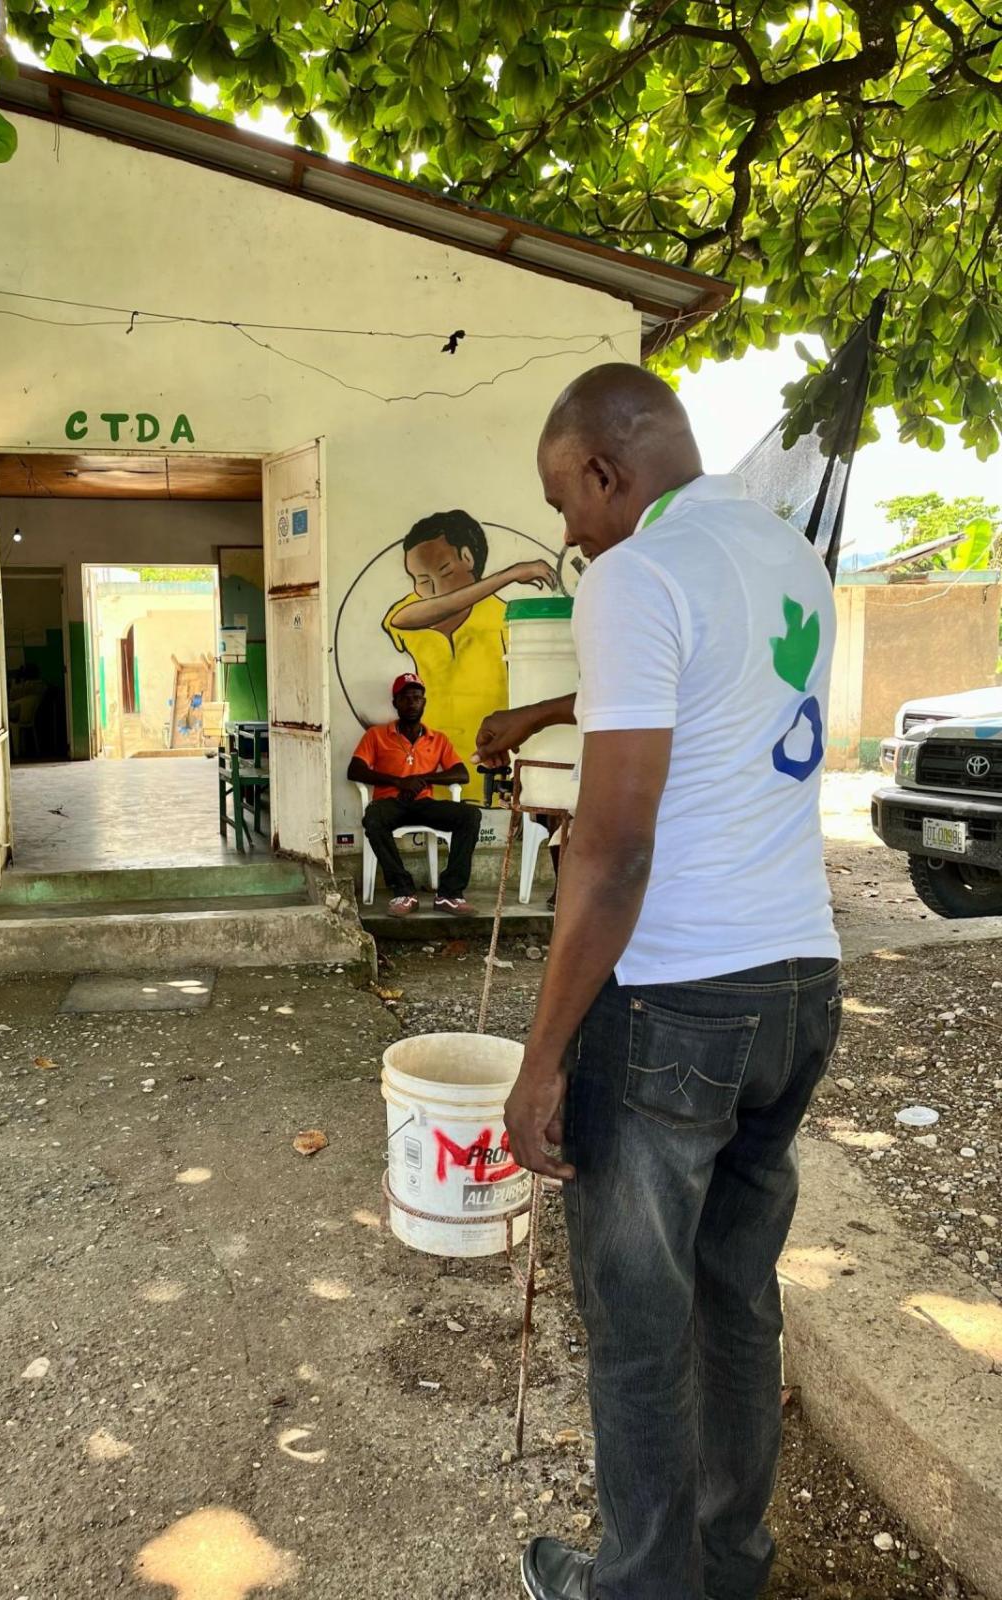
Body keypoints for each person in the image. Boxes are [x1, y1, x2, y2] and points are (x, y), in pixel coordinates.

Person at [478, 365, 841, 1600]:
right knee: (735, 1300)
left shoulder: (635, 574)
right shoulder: (789, 557)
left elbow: (615, 846)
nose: (568, 533)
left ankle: (640, 1588)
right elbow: (702, 695)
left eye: (564, 500)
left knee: (637, 1327)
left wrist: (541, 1058)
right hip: (799, 988)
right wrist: (545, 711)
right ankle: (728, 1563)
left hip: (679, 1000)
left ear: (605, 469)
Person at [382, 510, 555, 802]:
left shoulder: (505, 618)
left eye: (444, 571)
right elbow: (413, 617)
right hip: (430, 767)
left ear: (468, 558)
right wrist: (510, 574)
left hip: (488, 759)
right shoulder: (409, 612)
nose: (432, 589)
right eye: (421, 580)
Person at [349, 673, 480, 917]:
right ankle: (404, 891)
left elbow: (462, 774)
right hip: (391, 803)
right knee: (373, 818)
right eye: (405, 698)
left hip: (424, 804)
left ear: (424, 703)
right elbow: (354, 769)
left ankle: (449, 894)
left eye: (417, 698)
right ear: (395, 702)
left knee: (470, 815)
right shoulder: (376, 735)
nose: (411, 703)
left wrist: (423, 780)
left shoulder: (437, 739)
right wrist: (400, 782)